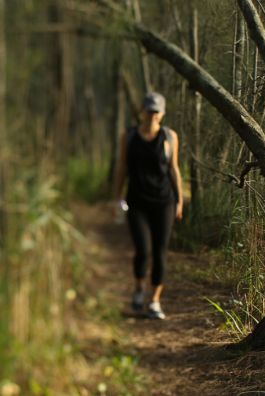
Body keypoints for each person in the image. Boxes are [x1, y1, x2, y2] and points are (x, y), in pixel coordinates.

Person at [112, 92, 184, 320]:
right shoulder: (129, 136)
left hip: (164, 202)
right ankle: (138, 289)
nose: (152, 115)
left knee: (160, 252)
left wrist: (180, 199)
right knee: (143, 250)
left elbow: (174, 168)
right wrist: (116, 197)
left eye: (157, 111)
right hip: (137, 202)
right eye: (149, 110)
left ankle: (155, 300)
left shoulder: (169, 137)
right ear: (142, 111)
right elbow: (122, 166)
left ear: (162, 114)